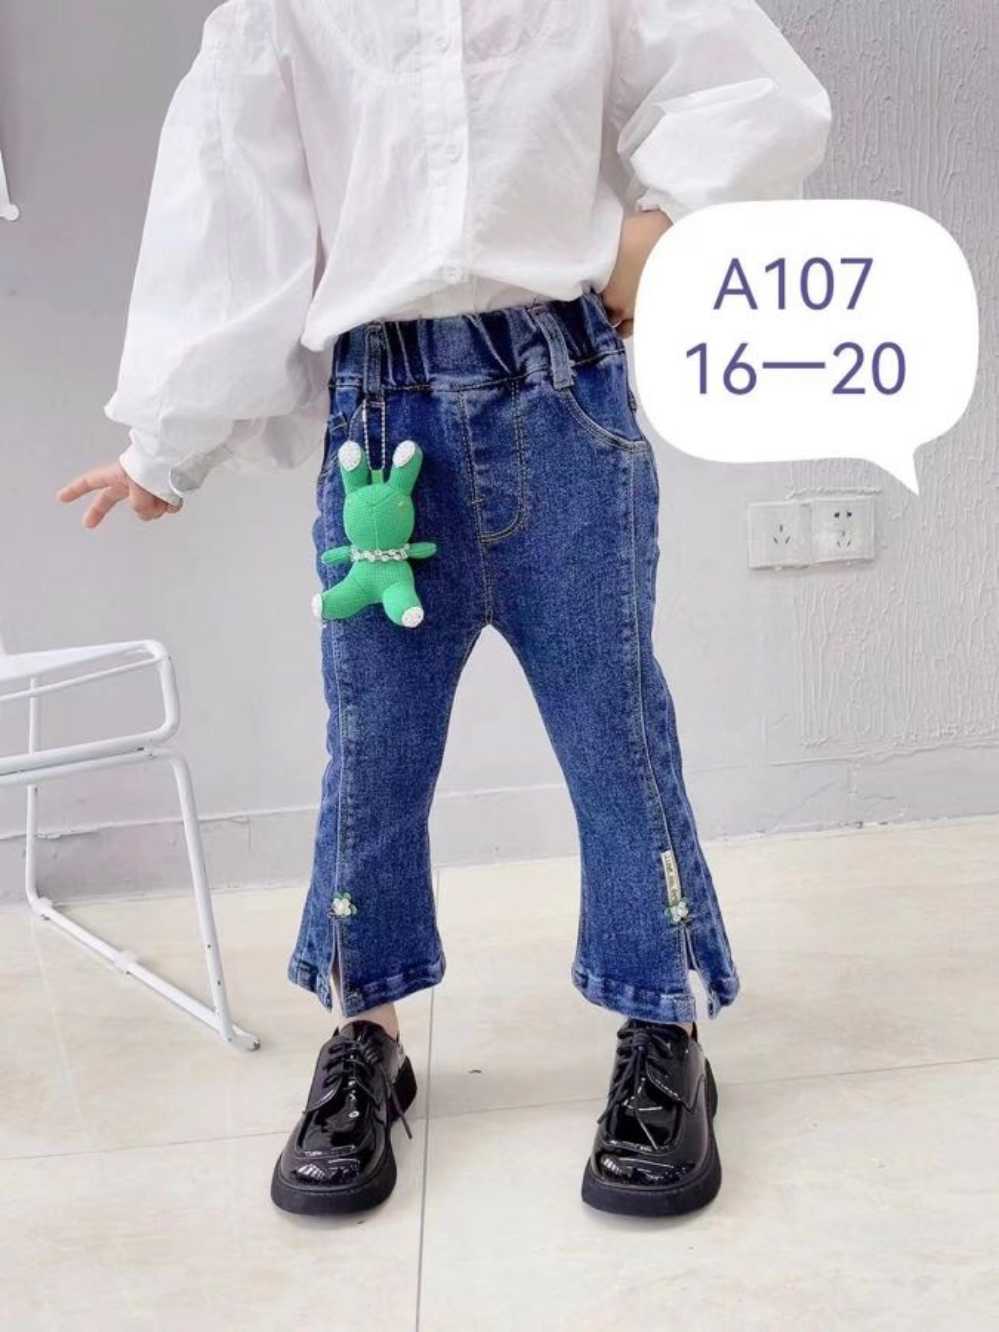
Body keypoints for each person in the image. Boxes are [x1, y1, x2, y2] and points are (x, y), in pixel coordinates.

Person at [59, 1, 830, 1217]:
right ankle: (365, 1033)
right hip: (381, 422)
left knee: (615, 732)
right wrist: (168, 440)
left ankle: (662, 1022)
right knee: (376, 752)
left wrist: (665, 228)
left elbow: (748, 85)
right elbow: (233, 198)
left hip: (564, 392)